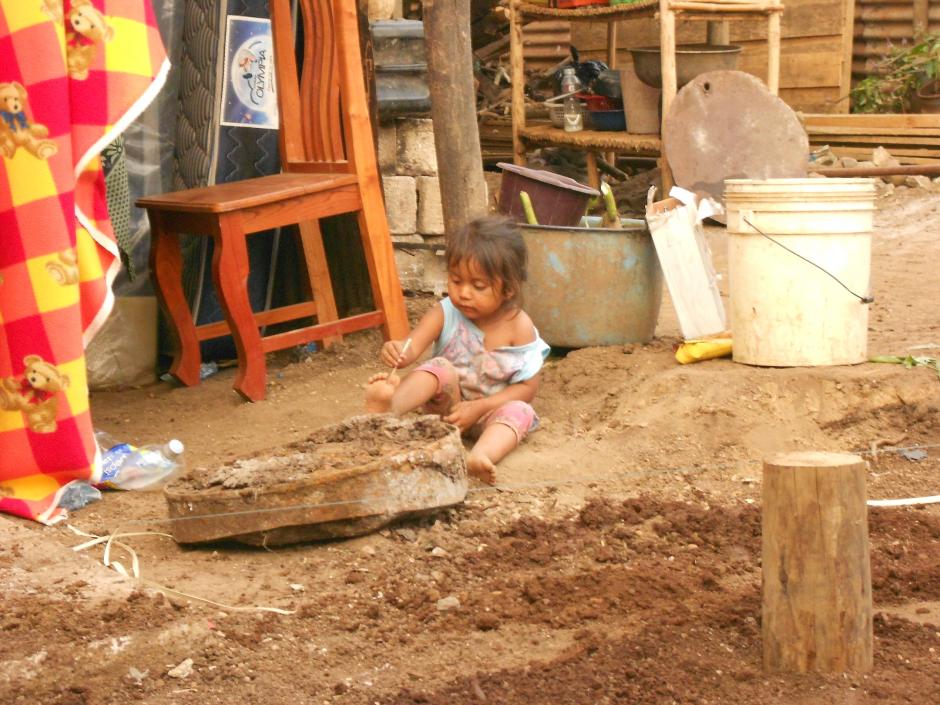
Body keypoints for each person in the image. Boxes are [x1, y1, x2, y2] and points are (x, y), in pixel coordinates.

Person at [365, 217, 550, 484]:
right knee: (438, 366)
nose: (463, 293)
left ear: (509, 289)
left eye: (478, 286)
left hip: (491, 412)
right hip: (447, 410)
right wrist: (398, 352)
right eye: (455, 280)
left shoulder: (519, 326)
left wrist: (480, 407)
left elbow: (527, 389)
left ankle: (481, 455)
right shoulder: (446, 312)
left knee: (521, 410)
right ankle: (387, 410)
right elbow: (412, 346)